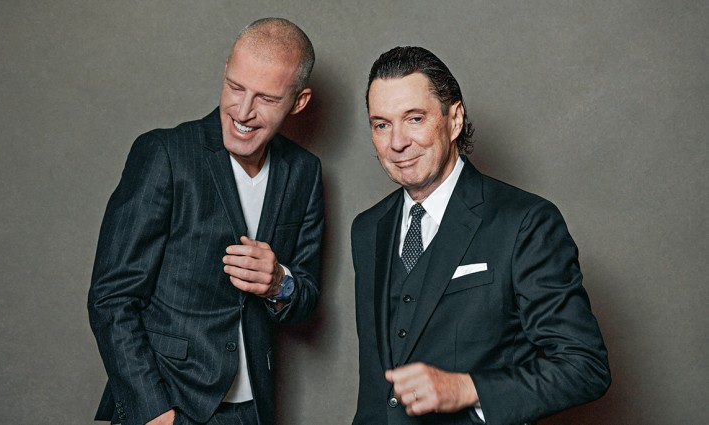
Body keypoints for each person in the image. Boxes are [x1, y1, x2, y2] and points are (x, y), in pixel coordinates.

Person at [351, 46, 610, 425]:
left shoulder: (525, 221)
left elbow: (584, 366)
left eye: (415, 118)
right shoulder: (367, 228)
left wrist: (467, 389)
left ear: (455, 119)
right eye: (381, 125)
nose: (398, 142)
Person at [88, 18, 323, 425]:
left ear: (298, 102)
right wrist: (153, 411)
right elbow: (111, 298)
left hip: (254, 411)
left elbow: (306, 296)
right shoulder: (164, 154)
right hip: (170, 404)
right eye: (236, 87)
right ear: (226, 68)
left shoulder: (304, 171)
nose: (243, 112)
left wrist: (278, 283)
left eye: (266, 99)